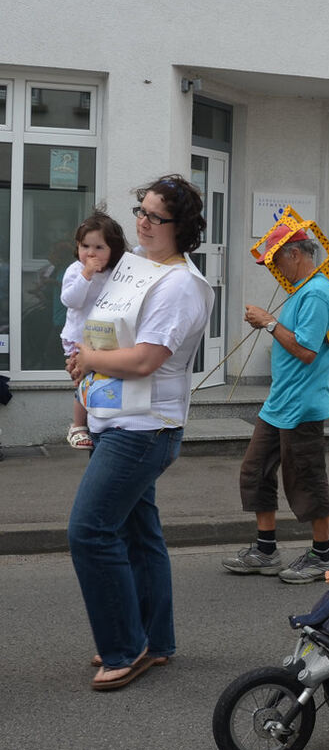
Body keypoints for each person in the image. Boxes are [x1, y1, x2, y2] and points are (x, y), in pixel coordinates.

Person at [66, 174, 213, 691]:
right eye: (141, 211)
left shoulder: (180, 285)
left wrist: (89, 359)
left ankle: (123, 649)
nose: (143, 223)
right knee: (137, 532)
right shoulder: (136, 265)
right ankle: (155, 640)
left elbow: (148, 358)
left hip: (145, 427)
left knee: (89, 531)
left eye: (156, 217)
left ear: (183, 228)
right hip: (114, 417)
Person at [222, 224, 329, 584]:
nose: (275, 270)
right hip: (279, 402)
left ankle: (321, 556)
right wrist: (272, 323)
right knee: (254, 471)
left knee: (306, 479)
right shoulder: (302, 290)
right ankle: (266, 550)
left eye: (276, 261)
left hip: (303, 406)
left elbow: (307, 351)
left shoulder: (319, 293)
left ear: (295, 254)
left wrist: (270, 322)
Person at [61, 210, 128, 450]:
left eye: (99, 247)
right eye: (85, 246)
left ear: (113, 250)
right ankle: (78, 425)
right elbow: (70, 300)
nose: (90, 253)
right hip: (78, 338)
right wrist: (86, 274)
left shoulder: (115, 274)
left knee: (102, 380)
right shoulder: (74, 271)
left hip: (105, 339)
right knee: (82, 379)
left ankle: (100, 420)